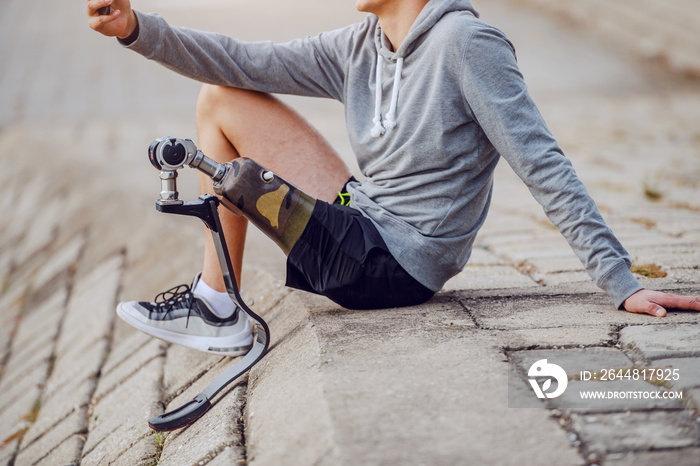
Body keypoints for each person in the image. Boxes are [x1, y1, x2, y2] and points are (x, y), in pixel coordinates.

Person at [87, 0, 700, 355]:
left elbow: (541, 161)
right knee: (221, 97)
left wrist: (618, 279)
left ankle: (216, 305)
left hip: (394, 266)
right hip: (364, 219)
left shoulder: (467, 44)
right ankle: (217, 303)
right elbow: (242, 61)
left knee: (238, 162)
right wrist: (136, 30)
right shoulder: (360, 45)